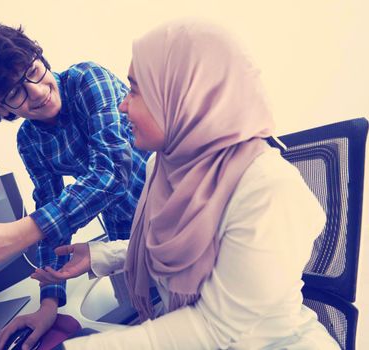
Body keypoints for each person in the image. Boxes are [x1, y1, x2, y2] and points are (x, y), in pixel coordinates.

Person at [29, 19, 340, 349]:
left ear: (182, 94)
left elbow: (213, 329)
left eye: (134, 89)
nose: (122, 104)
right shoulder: (164, 168)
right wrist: (101, 255)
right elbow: (174, 247)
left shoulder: (268, 189)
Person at [0, 22, 150, 349]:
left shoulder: (89, 79)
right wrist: (48, 303)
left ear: (39, 56)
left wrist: (22, 232)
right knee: (152, 325)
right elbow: (49, 205)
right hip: (123, 241)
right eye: (15, 92)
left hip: (179, 218)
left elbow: (114, 171)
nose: (38, 91)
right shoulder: (29, 141)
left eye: (33, 70)